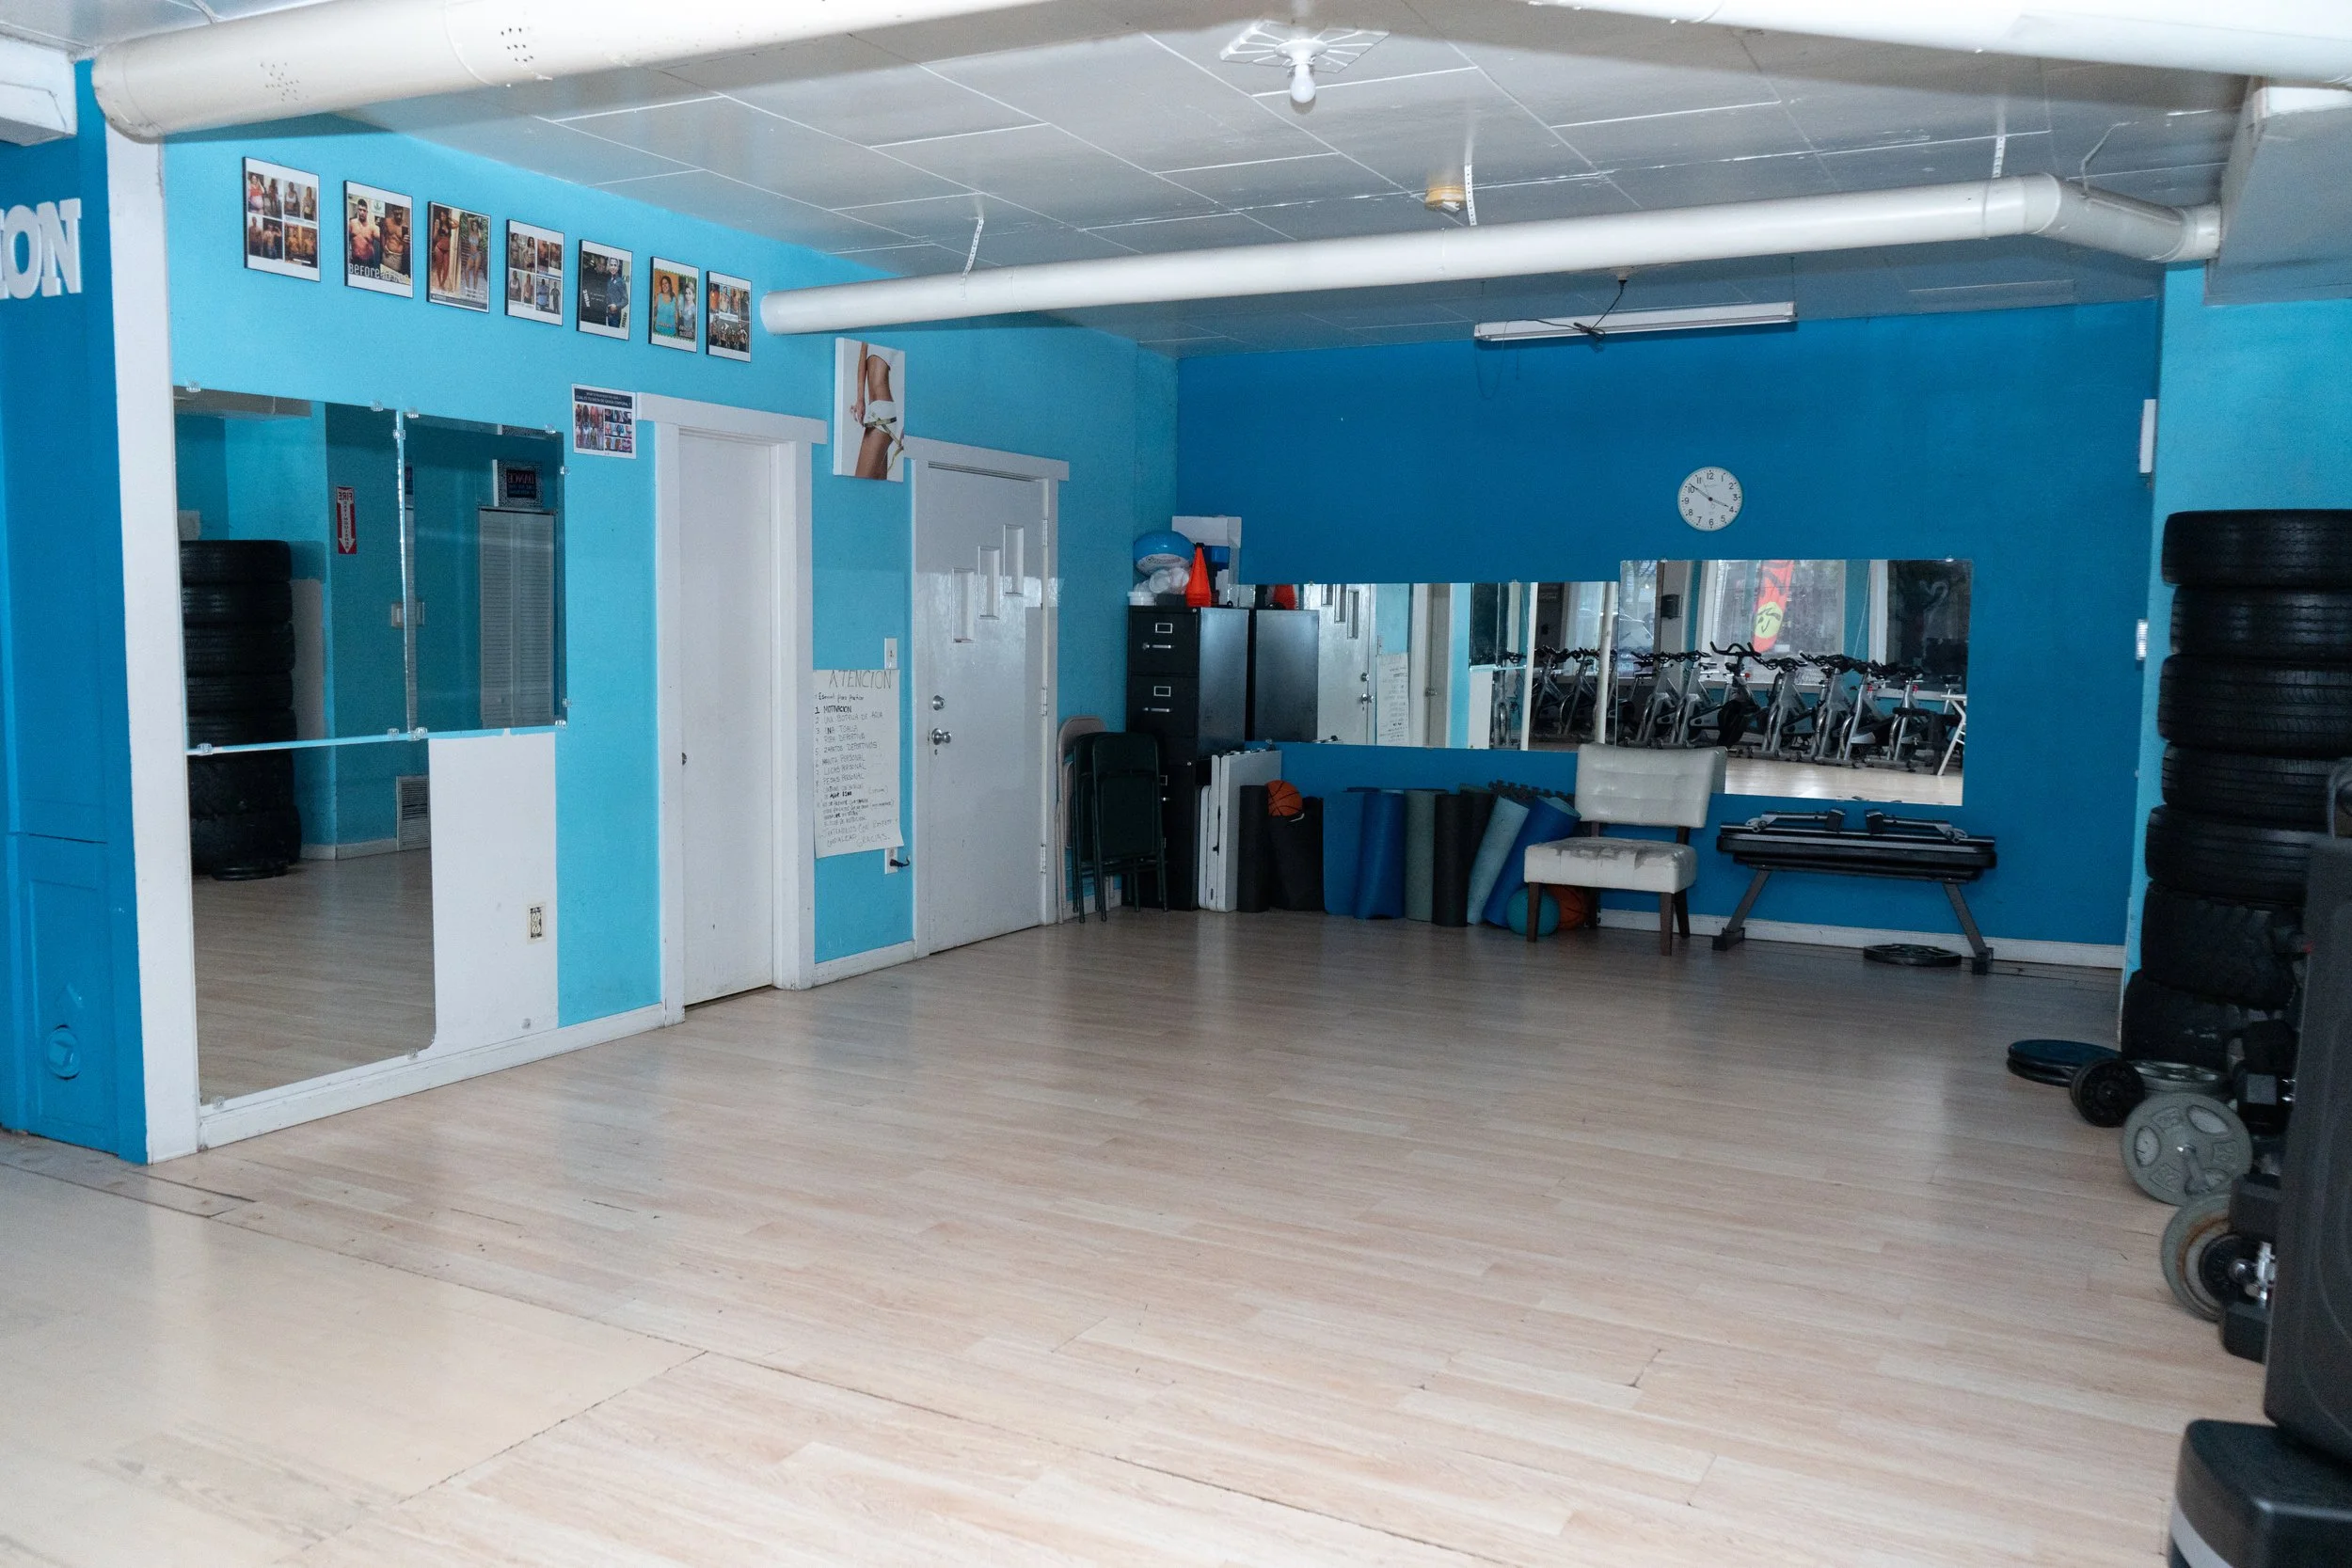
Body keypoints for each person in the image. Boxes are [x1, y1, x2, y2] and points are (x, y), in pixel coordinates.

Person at [851, 345, 901, 480]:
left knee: (860, 483)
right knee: (877, 488)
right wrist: (860, 399)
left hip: (883, 413)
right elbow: (862, 357)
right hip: (876, 411)